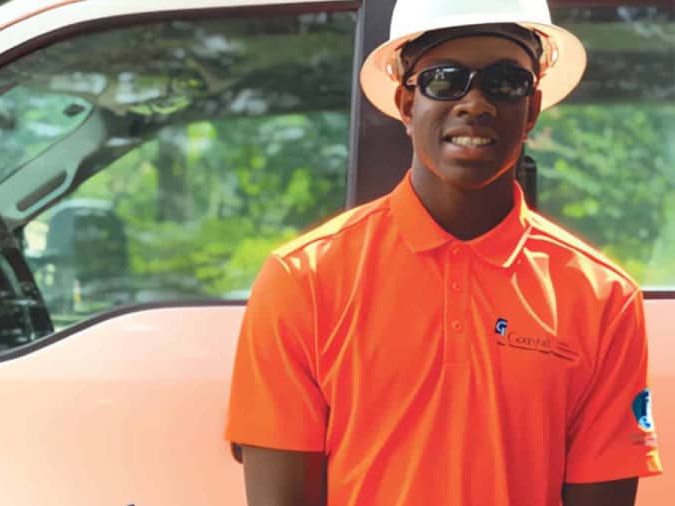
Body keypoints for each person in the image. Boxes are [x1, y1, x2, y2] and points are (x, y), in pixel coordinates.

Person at [224, 0, 663, 505]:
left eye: (505, 82)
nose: (475, 103)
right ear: (407, 104)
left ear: (532, 109)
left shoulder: (602, 295)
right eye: (445, 79)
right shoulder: (304, 278)